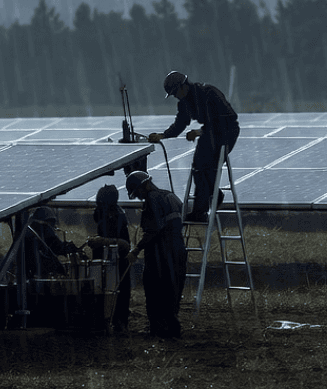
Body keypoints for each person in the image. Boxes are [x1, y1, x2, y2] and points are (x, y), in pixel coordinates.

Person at [148, 70, 240, 222]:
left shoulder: (209, 93)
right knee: (198, 167)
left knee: (209, 165)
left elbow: (223, 120)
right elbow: (180, 124)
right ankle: (205, 204)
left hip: (227, 131)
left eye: (175, 92)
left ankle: (209, 201)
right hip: (209, 133)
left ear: (183, 86)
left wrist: (199, 131)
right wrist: (163, 135)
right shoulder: (184, 103)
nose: (176, 96)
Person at [124, 170, 187, 339]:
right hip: (179, 251)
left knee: (154, 291)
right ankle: (172, 331)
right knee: (171, 292)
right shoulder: (170, 196)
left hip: (161, 254)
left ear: (143, 186)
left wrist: (136, 250)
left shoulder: (151, 200)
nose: (137, 197)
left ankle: (158, 331)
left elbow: (153, 230)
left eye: (137, 193)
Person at [87, 184, 132, 332]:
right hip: (104, 261)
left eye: (100, 202)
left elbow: (125, 244)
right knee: (101, 290)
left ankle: (120, 322)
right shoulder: (101, 213)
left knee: (120, 292)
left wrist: (103, 241)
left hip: (118, 260)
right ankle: (103, 321)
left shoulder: (118, 217)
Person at [24, 206, 80, 279]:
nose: (53, 226)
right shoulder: (43, 232)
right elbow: (57, 247)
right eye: (51, 223)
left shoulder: (32, 235)